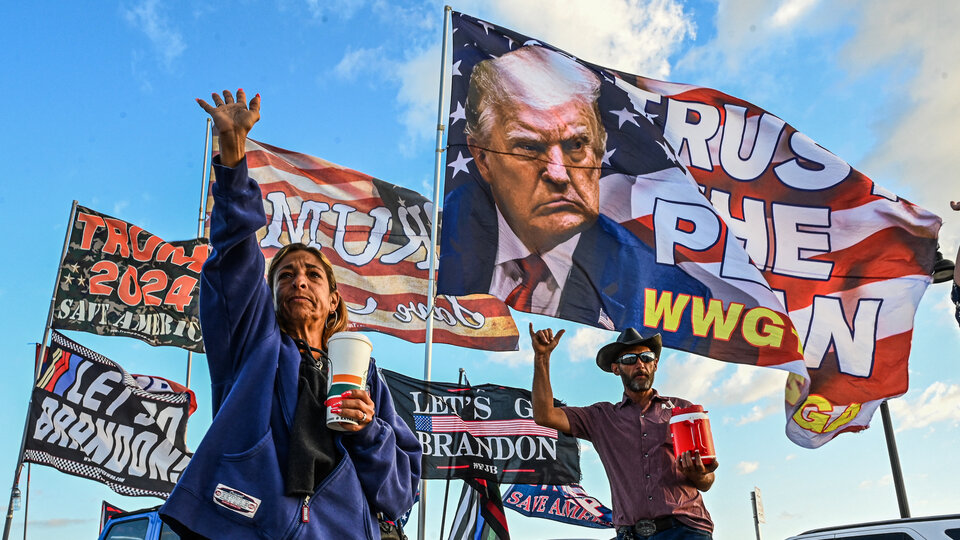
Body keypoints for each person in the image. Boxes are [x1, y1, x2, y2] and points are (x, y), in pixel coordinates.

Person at [159, 89, 421, 539]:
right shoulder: (254, 343)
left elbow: (399, 495)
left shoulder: (367, 376)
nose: (299, 281)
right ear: (270, 292)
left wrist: (367, 430)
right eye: (286, 275)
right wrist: (233, 157)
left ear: (334, 300)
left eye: (313, 275)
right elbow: (235, 254)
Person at [438, 45, 710, 336]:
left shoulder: (671, 293)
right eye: (529, 146)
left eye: (577, 145)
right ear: (482, 157)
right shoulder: (435, 240)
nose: (558, 174)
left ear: (599, 149)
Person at [530, 324, 717, 539]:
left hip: (685, 530)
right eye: (629, 359)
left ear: (655, 364)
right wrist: (542, 357)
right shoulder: (601, 418)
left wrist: (699, 474)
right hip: (630, 533)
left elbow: (707, 482)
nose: (640, 364)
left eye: (646, 357)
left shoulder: (682, 411)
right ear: (616, 368)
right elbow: (545, 415)